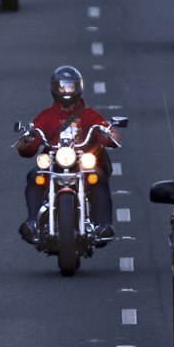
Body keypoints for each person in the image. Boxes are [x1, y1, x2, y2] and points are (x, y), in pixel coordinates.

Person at [16, 66, 120, 246]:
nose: (66, 90)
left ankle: (103, 225)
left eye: (70, 86)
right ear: (54, 88)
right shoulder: (46, 116)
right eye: (62, 87)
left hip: (82, 162)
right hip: (54, 163)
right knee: (35, 176)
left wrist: (109, 134)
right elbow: (30, 144)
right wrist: (26, 140)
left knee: (98, 178)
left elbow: (108, 133)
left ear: (78, 87)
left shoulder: (89, 115)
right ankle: (32, 221)